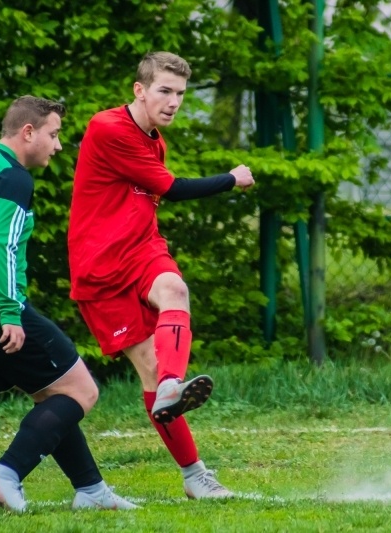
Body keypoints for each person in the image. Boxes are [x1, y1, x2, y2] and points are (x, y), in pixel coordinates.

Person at [0, 96, 138, 513]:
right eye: (53, 135)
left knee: (52, 394)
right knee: (82, 390)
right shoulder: (12, 176)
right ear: (28, 132)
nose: (58, 146)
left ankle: (91, 490)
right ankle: (5, 474)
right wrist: (9, 312)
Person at [68, 52, 255, 499]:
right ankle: (194, 474)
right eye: (164, 91)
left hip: (142, 249)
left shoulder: (153, 138)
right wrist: (232, 178)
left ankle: (175, 391)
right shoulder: (108, 128)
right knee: (150, 370)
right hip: (102, 269)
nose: (173, 102)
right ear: (140, 90)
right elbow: (170, 188)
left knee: (175, 288)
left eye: (181, 94)